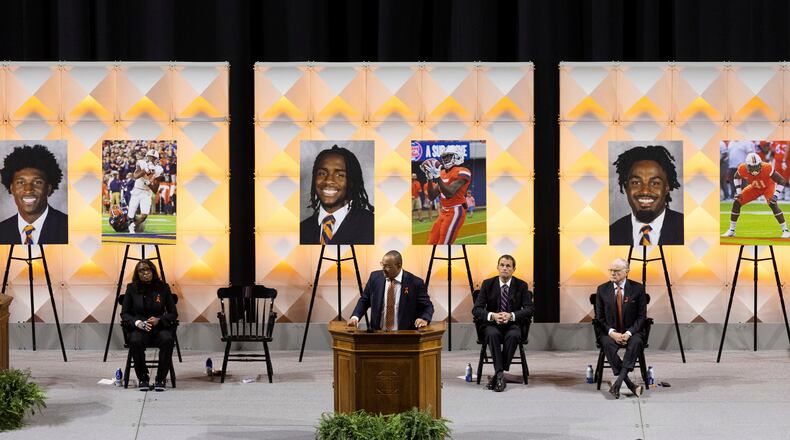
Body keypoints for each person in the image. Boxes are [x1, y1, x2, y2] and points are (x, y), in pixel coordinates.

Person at [472, 255, 533, 392]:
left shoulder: (521, 285)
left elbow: (530, 309)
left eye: (508, 266)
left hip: (512, 324)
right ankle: (500, 374)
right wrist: (492, 315)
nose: (505, 268)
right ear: (498, 267)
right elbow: (476, 309)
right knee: (492, 334)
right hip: (493, 324)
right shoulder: (488, 284)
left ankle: (498, 374)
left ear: (513, 269)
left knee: (514, 335)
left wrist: (511, 316)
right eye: (502, 265)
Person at [121, 259, 178, 392]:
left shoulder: (163, 288)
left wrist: (160, 320)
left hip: (159, 328)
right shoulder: (131, 288)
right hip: (140, 329)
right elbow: (125, 314)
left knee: (167, 339)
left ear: (153, 271)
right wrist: (138, 323)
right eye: (141, 271)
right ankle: (143, 378)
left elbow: (173, 313)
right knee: (135, 340)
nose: (145, 273)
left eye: (148, 270)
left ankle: (160, 379)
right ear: (137, 274)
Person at [609, 145, 684, 246]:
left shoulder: (687, 227)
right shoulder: (612, 233)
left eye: (655, 183)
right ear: (626, 187)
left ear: (666, 187)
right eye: (636, 182)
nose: (645, 191)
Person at [300, 145, 374, 244]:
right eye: (322, 173)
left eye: (340, 175)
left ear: (352, 181)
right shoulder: (302, 229)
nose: (328, 181)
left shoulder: (373, 226)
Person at [596, 258, 647, 399]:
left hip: (632, 331)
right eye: (611, 270)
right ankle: (630, 385)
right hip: (610, 332)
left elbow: (642, 317)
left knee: (636, 342)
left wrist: (629, 333)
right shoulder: (602, 289)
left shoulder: (638, 289)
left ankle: (617, 384)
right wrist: (612, 333)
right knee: (607, 344)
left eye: (617, 270)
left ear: (626, 272)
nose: (613, 273)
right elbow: (599, 318)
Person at [347, 250, 434, 331]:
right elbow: (364, 300)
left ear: (399, 265)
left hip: (405, 335)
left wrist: (424, 319)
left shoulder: (415, 283)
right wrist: (355, 317)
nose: (383, 269)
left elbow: (428, 306)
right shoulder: (375, 277)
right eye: (382, 265)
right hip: (377, 334)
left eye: (388, 266)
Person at [0, 144, 68, 244]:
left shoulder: (68, 227)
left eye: (37, 182)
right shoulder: (2, 230)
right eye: (20, 182)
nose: (28, 189)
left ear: (48, 188)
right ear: (12, 188)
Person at [722, 152, 790, 238]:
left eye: (756, 166)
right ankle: (731, 230)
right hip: (754, 187)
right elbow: (736, 177)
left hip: (768, 187)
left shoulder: (767, 167)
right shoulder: (742, 168)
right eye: (752, 167)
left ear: (760, 164)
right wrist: (739, 192)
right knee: (737, 202)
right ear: (747, 166)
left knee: (773, 204)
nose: (754, 170)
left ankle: (785, 230)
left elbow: (781, 181)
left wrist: (775, 195)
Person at [421, 145, 472, 244]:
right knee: (431, 242)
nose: (445, 159)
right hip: (444, 211)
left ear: (457, 156)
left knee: (443, 243)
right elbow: (431, 196)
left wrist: (438, 178)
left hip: (456, 210)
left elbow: (450, 193)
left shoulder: (462, 171)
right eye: (444, 157)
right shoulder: (442, 173)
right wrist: (429, 178)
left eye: (448, 157)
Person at [127, 149, 164, 233]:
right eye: (150, 157)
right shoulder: (141, 163)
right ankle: (128, 224)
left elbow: (155, 190)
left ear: (157, 159)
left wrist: (149, 183)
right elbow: (135, 176)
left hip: (146, 193)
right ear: (147, 157)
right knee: (131, 213)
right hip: (137, 190)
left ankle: (133, 225)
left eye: (153, 158)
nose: (151, 159)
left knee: (144, 215)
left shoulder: (159, 169)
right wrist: (145, 170)